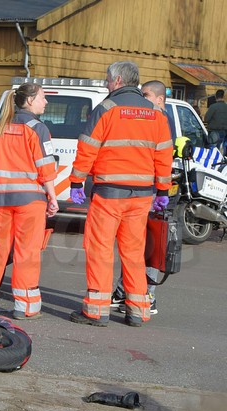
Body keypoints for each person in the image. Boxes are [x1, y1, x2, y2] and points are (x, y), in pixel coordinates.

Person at [69, 61, 173, 327]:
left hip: (109, 193)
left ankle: (96, 311)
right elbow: (163, 155)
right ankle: (138, 311)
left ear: (117, 80)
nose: (105, 83)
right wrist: (162, 190)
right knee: (134, 252)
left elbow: (88, 148)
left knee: (100, 249)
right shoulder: (156, 112)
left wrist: (76, 182)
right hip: (141, 196)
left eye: (107, 79)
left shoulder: (106, 109)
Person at [0, 83, 59, 320]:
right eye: (42, 97)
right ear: (29, 100)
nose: (45, 102)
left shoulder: (0, 128)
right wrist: (52, 196)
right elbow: (46, 167)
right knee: (26, 251)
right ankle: (25, 305)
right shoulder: (37, 129)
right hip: (30, 201)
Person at [110, 80, 170, 316]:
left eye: (146, 94)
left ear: (159, 99)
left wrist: (162, 192)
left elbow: (162, 158)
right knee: (134, 245)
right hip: (147, 189)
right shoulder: (150, 117)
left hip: (156, 191)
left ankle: (148, 296)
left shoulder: (162, 119)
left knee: (150, 248)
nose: (142, 98)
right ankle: (125, 291)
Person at [204, 89, 227, 154]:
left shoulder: (213, 107)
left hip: (214, 132)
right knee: (223, 150)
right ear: (223, 96)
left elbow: (206, 119)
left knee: (213, 150)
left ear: (216, 97)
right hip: (225, 132)